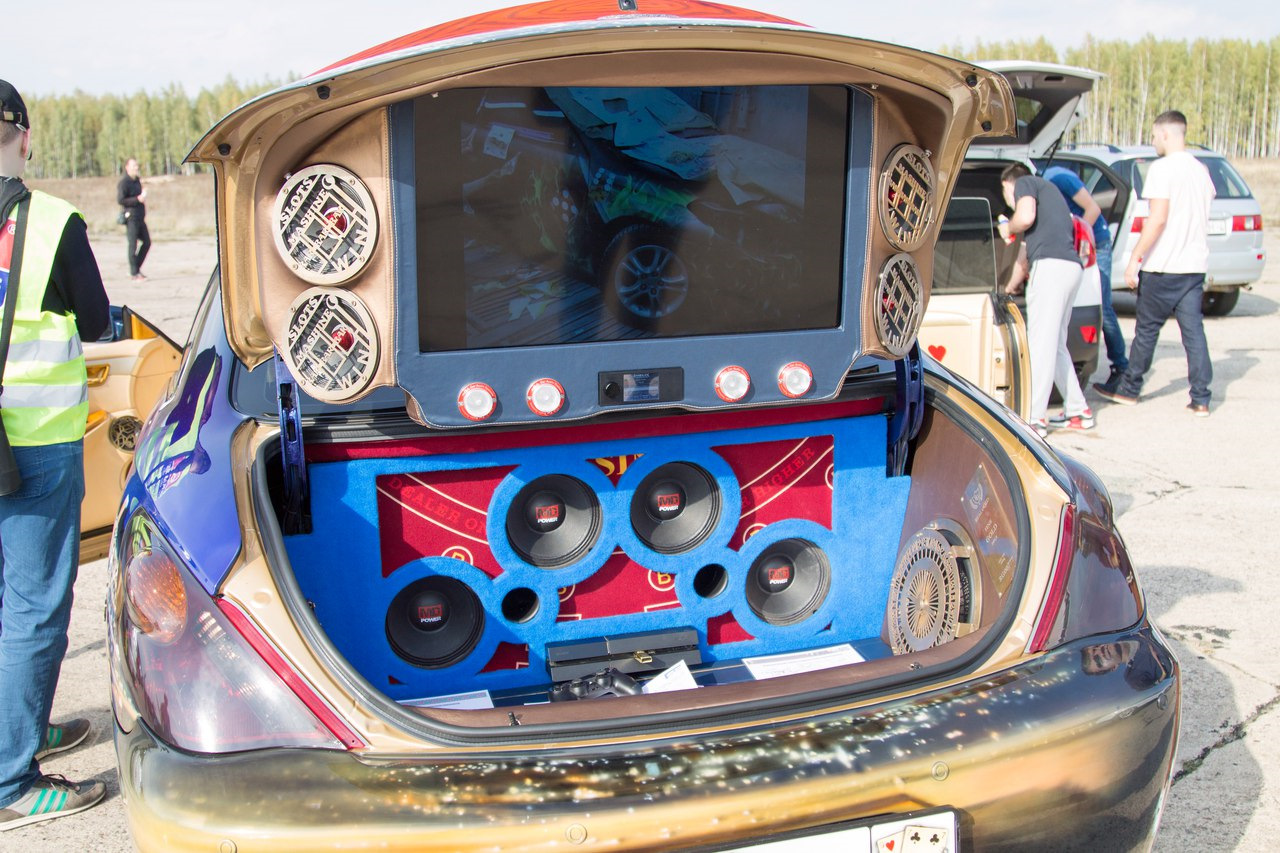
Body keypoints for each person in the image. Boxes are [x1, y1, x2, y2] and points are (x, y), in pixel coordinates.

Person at [0, 79, 109, 831]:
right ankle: (11, 780)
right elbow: (97, 319)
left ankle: (21, 727)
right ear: (26, 137)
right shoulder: (49, 223)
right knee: (34, 607)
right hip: (31, 440)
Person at [1095, 110, 1215, 416]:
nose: (1152, 141)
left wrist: (1135, 258)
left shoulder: (1162, 169)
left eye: (1153, 135)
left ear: (1165, 134)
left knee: (1147, 331)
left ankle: (1129, 389)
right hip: (1194, 266)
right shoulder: (1201, 170)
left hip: (1163, 265)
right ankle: (1201, 398)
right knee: (1194, 334)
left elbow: (1158, 219)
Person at [999, 162, 1093, 436]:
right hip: (1070, 269)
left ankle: (1034, 418)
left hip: (1051, 269)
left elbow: (1024, 217)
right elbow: (1023, 258)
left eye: (1005, 193)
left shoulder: (1026, 183)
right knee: (1055, 344)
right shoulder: (1049, 195)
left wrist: (1008, 227)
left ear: (1009, 184)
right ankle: (1078, 411)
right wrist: (1007, 289)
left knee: (1040, 343)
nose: (1008, 199)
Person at [1042, 164, 1129, 389]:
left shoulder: (1058, 177)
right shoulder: (1047, 181)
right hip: (1079, 245)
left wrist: (1073, 238)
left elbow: (1093, 209)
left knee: (1102, 306)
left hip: (1095, 243)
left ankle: (1121, 369)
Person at [118, 156, 150, 281]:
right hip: (131, 217)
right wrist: (137, 199)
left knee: (147, 242)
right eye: (133, 166)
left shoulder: (137, 180)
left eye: (136, 166)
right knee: (133, 244)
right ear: (127, 167)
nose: (136, 168)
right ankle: (134, 273)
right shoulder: (124, 182)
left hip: (140, 217)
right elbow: (121, 200)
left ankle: (135, 269)